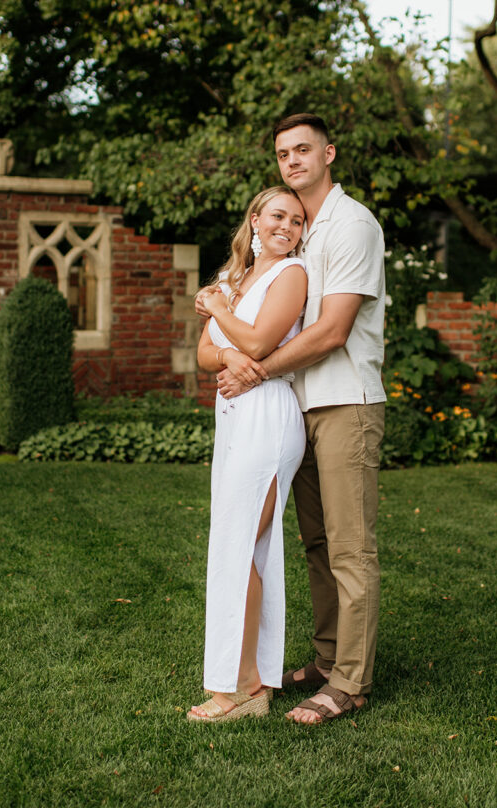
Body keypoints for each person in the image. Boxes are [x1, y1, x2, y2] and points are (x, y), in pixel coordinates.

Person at [213, 113, 386, 725]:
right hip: (301, 405)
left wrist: (255, 369)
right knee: (316, 542)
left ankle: (351, 683)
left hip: (346, 403)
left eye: (303, 149)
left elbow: (334, 331)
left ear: (329, 153)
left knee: (349, 547)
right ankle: (328, 658)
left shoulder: (353, 225)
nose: (292, 160)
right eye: (283, 152)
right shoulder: (303, 231)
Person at [187, 185, 308, 722]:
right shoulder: (234, 279)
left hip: (268, 418)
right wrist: (232, 352)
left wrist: (223, 321)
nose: (287, 226)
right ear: (255, 219)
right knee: (241, 550)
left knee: (241, 548)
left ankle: (239, 691)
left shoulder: (292, 276)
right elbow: (202, 354)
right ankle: (253, 684)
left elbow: (262, 344)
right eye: (278, 215)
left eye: (298, 220)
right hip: (233, 419)